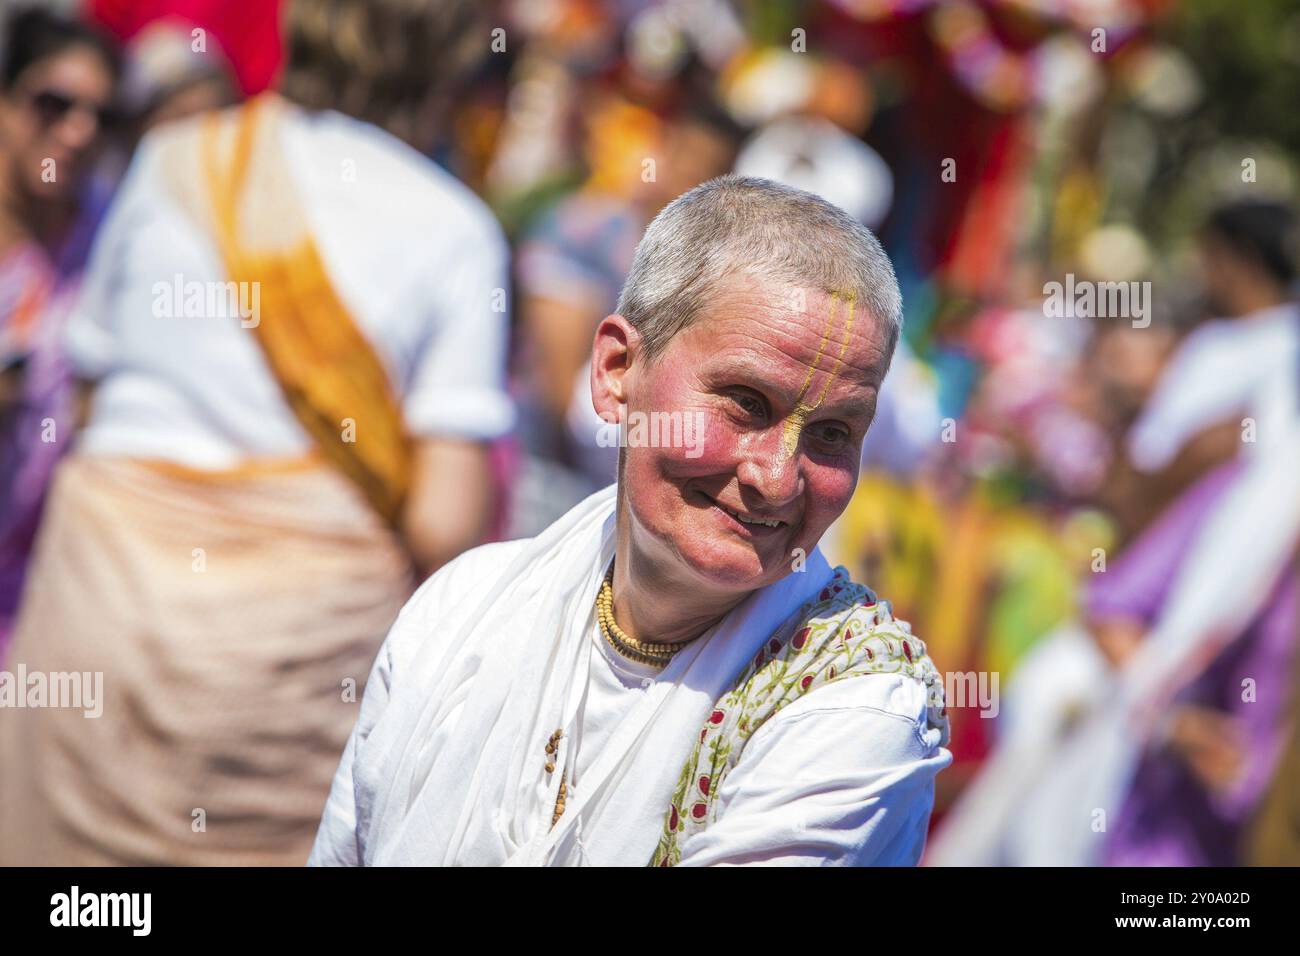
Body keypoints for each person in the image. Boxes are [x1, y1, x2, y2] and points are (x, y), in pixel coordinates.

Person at [309, 175, 952, 867]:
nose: (774, 478)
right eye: (745, 402)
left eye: (830, 434)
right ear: (617, 372)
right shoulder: (462, 612)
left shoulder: (851, 712)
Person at [0, 0, 511, 865]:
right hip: (288, 670)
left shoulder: (176, 160)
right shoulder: (457, 230)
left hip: (102, 612)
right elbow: (443, 525)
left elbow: (85, 395)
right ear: (447, 64)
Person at [0, 5, 120, 659]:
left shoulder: (114, 237)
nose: (76, 132)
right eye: (54, 104)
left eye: (99, 116)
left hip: (58, 607)